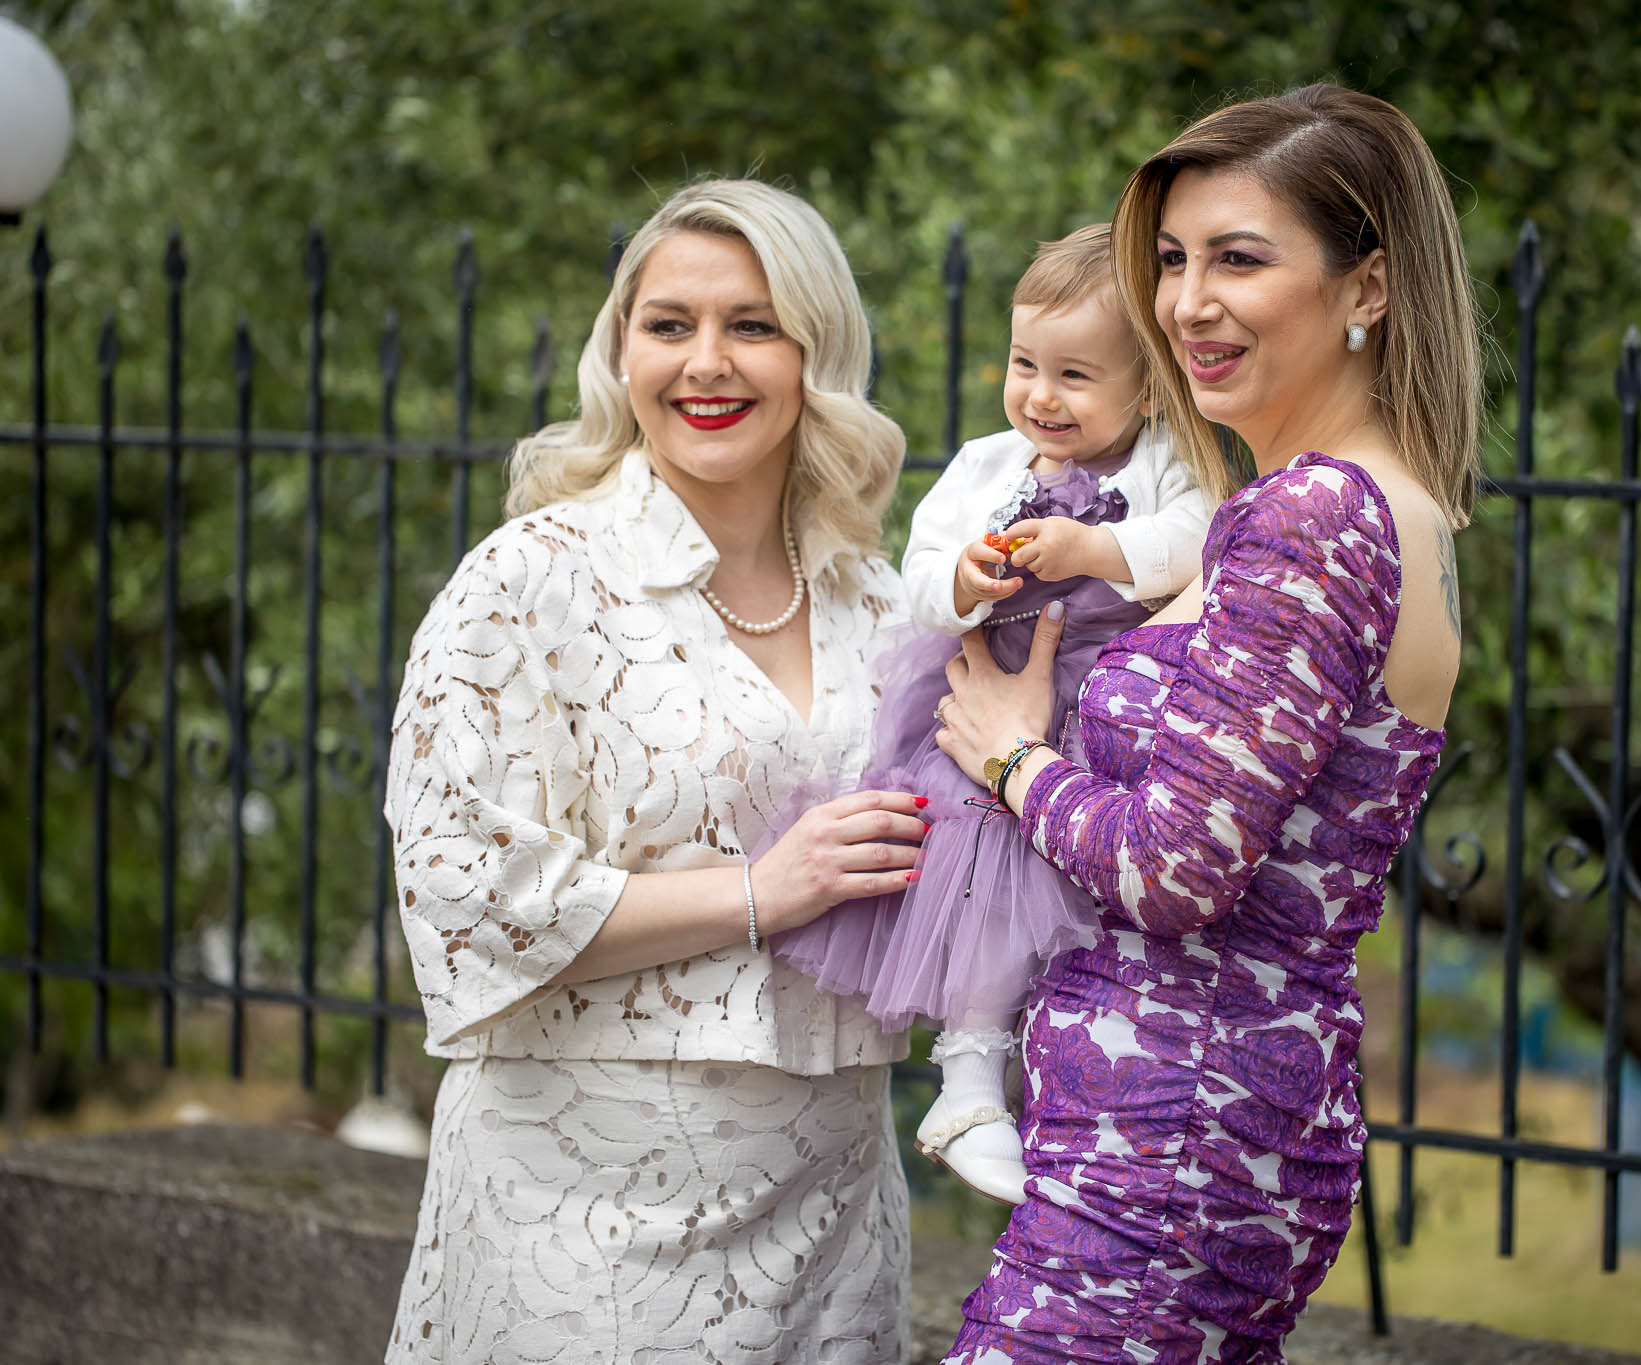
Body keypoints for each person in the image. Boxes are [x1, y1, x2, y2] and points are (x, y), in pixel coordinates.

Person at [928, 84, 1481, 1361]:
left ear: (1367, 285)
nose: (1184, 302)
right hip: (1188, 1123)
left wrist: (1012, 757)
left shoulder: (1316, 517)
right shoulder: (1354, 505)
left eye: (1238, 259)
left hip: (1167, 1138)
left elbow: (1173, 870)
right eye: (1172, 261)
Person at [383, 179, 926, 1364]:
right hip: (583, 1220)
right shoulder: (528, 581)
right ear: (620, 350)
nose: (706, 363)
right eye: (669, 325)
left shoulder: (876, 598)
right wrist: (761, 893)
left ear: (816, 352)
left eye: (752, 325)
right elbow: (465, 894)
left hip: (836, 1215)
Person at [772, 222, 1210, 1206]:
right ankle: (967, 1081)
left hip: (1098, 712)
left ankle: (1050, 1082)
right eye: (1024, 365)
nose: (1041, 396)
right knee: (987, 871)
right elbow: (919, 576)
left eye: (1074, 376)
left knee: (1086, 914)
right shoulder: (985, 466)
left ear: (1148, 388)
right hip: (986, 700)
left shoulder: (1164, 463)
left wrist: (1093, 550)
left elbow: (1196, 541)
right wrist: (966, 580)